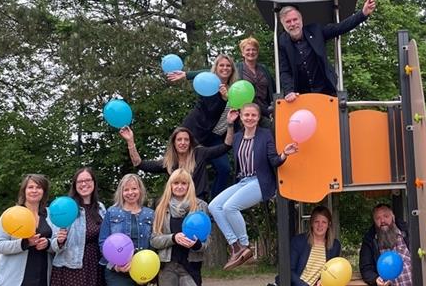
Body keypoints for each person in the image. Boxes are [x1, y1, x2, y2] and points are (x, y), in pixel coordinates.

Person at [207, 103, 298, 270]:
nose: (249, 118)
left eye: (253, 115)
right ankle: (235, 247)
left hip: (259, 182)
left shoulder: (265, 136)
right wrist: (228, 124)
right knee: (214, 206)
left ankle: (245, 245)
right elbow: (226, 143)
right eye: (246, 115)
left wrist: (285, 154)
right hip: (243, 181)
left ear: (257, 118)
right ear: (241, 117)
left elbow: (274, 161)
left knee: (229, 207)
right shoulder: (237, 137)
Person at [119, 112, 237, 201]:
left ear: (190, 142)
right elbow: (139, 164)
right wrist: (130, 141)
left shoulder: (200, 153)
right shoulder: (168, 162)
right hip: (176, 205)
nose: (183, 142)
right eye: (179, 140)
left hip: (198, 203)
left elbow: (226, 146)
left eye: (186, 140)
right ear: (174, 143)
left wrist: (230, 124)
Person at [277, 0, 376, 101]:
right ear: (283, 24)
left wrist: (363, 13)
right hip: (300, 95)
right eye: (288, 21)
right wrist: (289, 91)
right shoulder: (283, 41)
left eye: (295, 19)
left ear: (301, 20)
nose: (292, 24)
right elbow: (285, 70)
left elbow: (340, 28)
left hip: (325, 91)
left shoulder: (316, 31)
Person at [168, 54, 238, 198]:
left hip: (216, 137)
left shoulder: (235, 88)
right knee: (187, 170)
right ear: (216, 68)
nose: (225, 68)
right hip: (195, 133)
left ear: (232, 69)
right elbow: (211, 110)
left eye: (228, 65)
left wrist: (187, 74)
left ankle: (213, 205)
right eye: (221, 65)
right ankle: (184, 202)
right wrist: (223, 98)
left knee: (224, 169)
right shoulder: (208, 83)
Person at [235, 36, 275, 124]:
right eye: (248, 50)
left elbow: (273, 89)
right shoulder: (237, 69)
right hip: (246, 113)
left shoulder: (264, 69)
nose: (251, 52)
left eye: (254, 49)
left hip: (265, 111)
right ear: (243, 53)